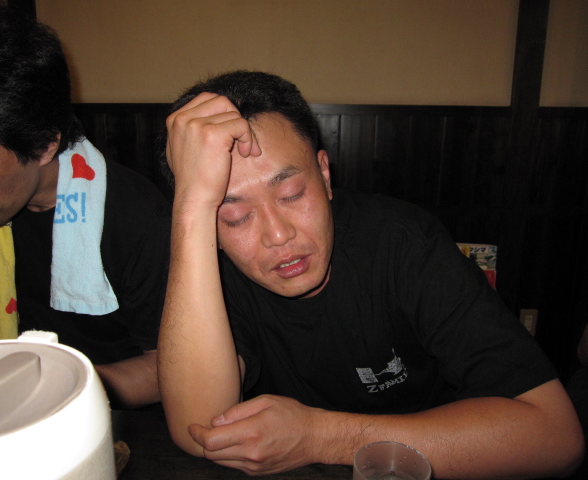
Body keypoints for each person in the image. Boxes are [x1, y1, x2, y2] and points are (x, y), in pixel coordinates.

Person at [157, 70, 584, 478]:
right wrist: (192, 207)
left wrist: (320, 436)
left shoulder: (402, 243)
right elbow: (202, 431)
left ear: (325, 175)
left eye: (291, 193)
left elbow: (556, 437)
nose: (278, 234)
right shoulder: (210, 278)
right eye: (234, 216)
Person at [0, 0, 171, 408]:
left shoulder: (137, 219)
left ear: (43, 144)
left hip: (118, 418)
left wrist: (53, 385)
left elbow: (170, 365)